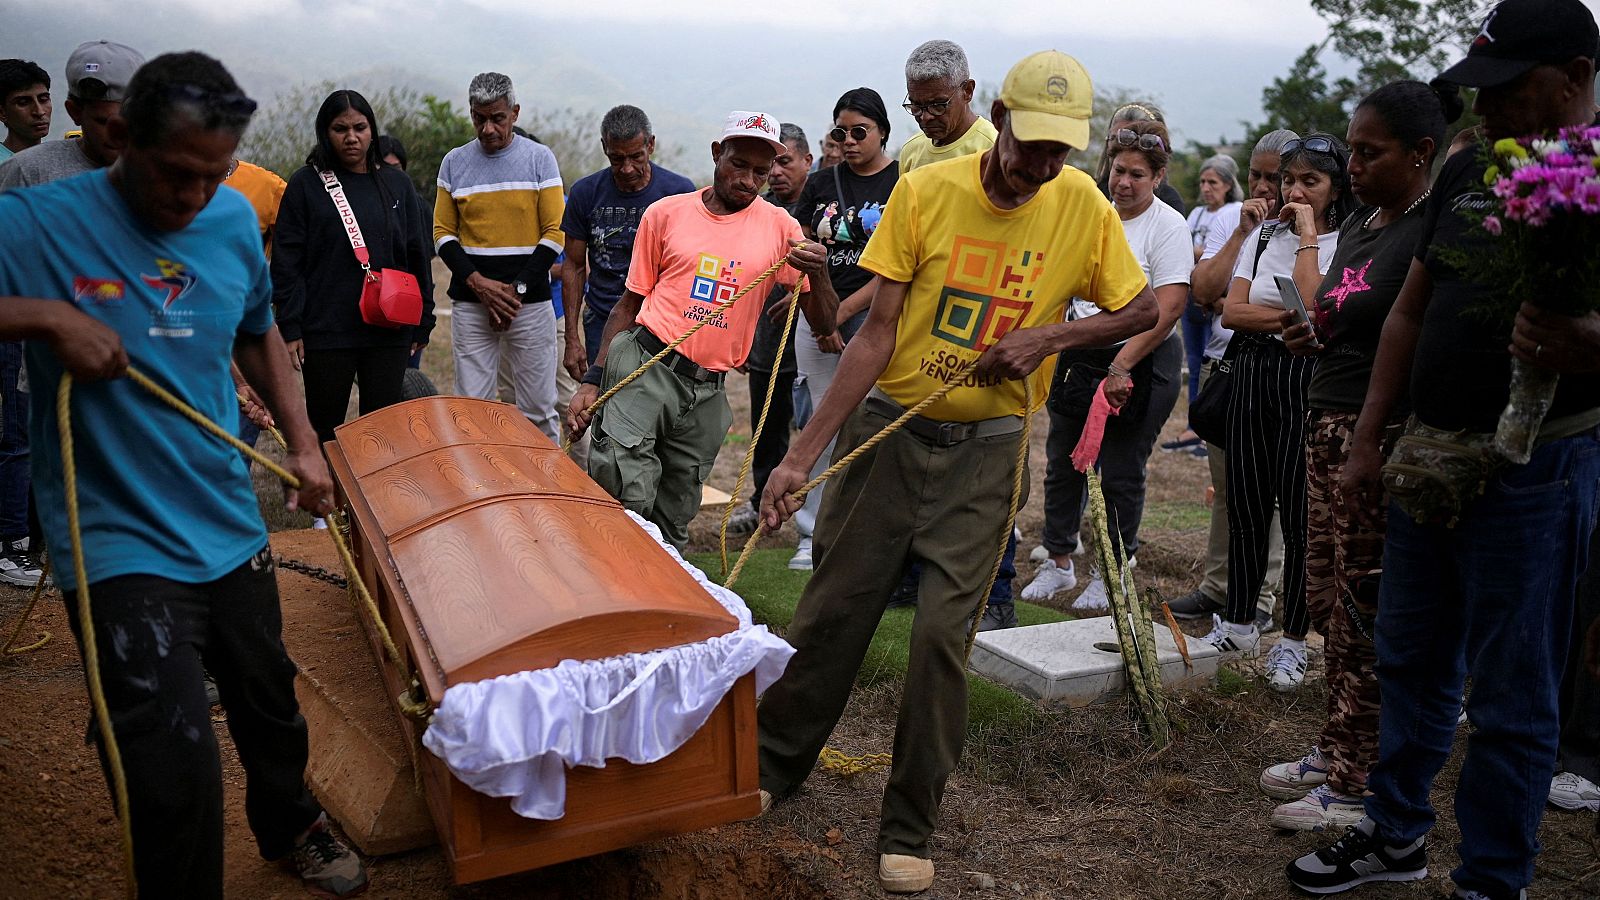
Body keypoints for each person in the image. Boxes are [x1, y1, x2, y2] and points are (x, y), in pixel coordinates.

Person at [755, 51, 1158, 895]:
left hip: (988, 453)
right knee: (834, 611)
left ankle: (908, 823)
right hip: (891, 437)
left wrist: (1047, 339)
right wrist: (800, 457)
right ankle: (773, 764)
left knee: (943, 638)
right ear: (1001, 115)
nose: (1043, 164)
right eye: (1032, 144)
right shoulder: (928, 190)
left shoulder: (1080, 205)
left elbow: (1142, 306)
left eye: (1061, 151)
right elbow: (874, 333)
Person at [0, 51, 367, 897]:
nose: (194, 197)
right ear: (122, 136)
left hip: (224, 513)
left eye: (215, 175)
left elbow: (258, 331)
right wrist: (48, 315)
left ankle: (292, 826)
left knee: (269, 701)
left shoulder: (233, 220)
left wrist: (306, 446)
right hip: (114, 536)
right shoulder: (44, 217)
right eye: (176, 174)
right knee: (171, 758)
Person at [1287, 2, 1600, 895]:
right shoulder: (1471, 171)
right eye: (1480, 90)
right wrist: (1371, 438)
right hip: (1426, 454)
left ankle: (1494, 877)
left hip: (1539, 470)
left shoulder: (1598, 176)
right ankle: (1395, 833)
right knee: (1411, 652)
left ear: (1575, 77)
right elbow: (1413, 309)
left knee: (1511, 691)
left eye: (1509, 89)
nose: (1487, 108)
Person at [1258, 80, 1452, 833]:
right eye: (1356, 149)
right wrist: (1314, 328)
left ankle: (1359, 776)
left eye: (1370, 153)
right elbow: (1341, 307)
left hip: (1376, 434)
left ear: (1421, 153)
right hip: (1326, 419)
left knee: (1367, 608)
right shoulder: (1371, 224)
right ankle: (1338, 741)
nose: (1356, 166)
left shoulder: (1426, 230)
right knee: (1328, 599)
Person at [565, 111, 836, 552]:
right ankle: (611, 592)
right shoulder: (666, 214)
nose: (749, 180)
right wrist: (593, 381)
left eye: (761, 172)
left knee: (676, 513)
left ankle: (664, 601)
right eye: (738, 165)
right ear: (716, 153)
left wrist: (819, 275)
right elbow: (629, 303)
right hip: (645, 363)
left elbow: (823, 323)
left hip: (708, 388)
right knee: (625, 492)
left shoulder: (782, 229)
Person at [1202, 131, 1354, 693]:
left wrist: (1310, 242)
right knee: (1244, 498)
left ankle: (1293, 640)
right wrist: (1291, 320)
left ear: (1335, 186)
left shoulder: (1349, 238)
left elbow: (1321, 312)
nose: (1293, 191)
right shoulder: (1262, 235)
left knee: (1296, 508)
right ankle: (1239, 622)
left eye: (1308, 181)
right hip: (1252, 371)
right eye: (1289, 179)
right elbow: (1232, 313)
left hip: (1306, 377)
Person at [1023, 119, 1190, 609]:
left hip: (1143, 355)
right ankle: (1058, 560)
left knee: (1119, 469)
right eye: (1119, 170)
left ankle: (1110, 570)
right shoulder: (1095, 213)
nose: (1124, 182)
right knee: (1063, 461)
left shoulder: (1168, 226)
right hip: (1083, 347)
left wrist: (1122, 366)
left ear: (1158, 178)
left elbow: (1170, 305)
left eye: (1138, 174)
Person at [0, 43, 144, 590]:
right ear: (75, 112)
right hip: (55, 380)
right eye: (103, 119)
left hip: (150, 372)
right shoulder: (29, 173)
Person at [1164, 129, 1300, 630]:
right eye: (1257, 176)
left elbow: (1293, 311)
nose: (1266, 187)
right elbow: (1203, 291)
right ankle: (1219, 587)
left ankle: (1260, 598)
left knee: (1273, 498)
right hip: (1225, 370)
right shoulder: (1231, 219)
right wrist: (1242, 235)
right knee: (1227, 489)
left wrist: (1236, 307)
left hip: (1279, 374)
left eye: (1277, 177)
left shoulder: (1312, 232)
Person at [271, 89, 435, 456]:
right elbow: (287, 261)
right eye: (340, 128)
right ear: (324, 132)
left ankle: (373, 503)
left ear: (372, 130)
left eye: (360, 127)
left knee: (382, 426)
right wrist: (291, 325)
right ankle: (326, 508)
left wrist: (424, 318)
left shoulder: (397, 184)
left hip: (389, 326)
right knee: (325, 422)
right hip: (327, 326)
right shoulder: (306, 184)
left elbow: (416, 253)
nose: (351, 137)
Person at [786, 88, 899, 571]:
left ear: (883, 133)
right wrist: (821, 317)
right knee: (819, 423)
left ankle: (867, 533)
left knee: (873, 426)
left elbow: (897, 267)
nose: (849, 141)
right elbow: (804, 255)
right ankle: (811, 536)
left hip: (874, 319)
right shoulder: (820, 183)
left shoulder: (902, 184)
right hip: (815, 317)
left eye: (860, 132)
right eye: (840, 132)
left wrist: (842, 314)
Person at [435, 72, 565, 442]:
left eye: (498, 118)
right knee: (471, 410)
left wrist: (515, 291)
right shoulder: (454, 163)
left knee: (538, 410)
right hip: (472, 304)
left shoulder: (540, 159)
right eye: (479, 118)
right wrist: (480, 286)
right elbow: (443, 233)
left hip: (530, 304)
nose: (488, 128)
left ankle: (544, 493)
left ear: (515, 113)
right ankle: (481, 493)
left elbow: (555, 232)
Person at [560, 105, 695, 376]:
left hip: (663, 323)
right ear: (604, 148)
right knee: (603, 401)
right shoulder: (585, 193)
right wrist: (572, 339)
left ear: (651, 145)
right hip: (602, 318)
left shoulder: (679, 193)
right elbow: (573, 266)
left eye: (636, 157)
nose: (627, 168)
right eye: (616, 159)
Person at [726, 123, 811, 539]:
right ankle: (763, 502)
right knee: (766, 427)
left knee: (814, 429)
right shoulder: (751, 211)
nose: (776, 172)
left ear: (807, 163)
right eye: (770, 165)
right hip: (765, 344)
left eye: (785, 161)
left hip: (812, 343)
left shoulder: (818, 209)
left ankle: (813, 518)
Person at [1163, 154, 1243, 449]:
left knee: (1216, 361)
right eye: (1203, 182)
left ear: (1228, 185)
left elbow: (1213, 255)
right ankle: (1194, 425)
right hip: (1192, 295)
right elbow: (1182, 247)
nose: (1206, 188)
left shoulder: (1235, 213)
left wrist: (1200, 255)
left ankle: (1210, 424)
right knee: (1195, 361)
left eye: (1213, 182)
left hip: (1218, 300)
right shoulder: (1196, 214)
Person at [0, 41, 143, 189]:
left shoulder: (157, 166)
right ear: (74, 112)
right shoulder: (25, 171)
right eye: (103, 121)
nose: (39, 111)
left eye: (43, 99)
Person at [898, 39, 997, 172]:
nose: (925, 117)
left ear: (967, 91)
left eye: (938, 105)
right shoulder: (911, 151)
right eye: (916, 106)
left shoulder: (993, 150)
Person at [1094, 102, 1185, 216]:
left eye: (1137, 175)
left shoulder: (1169, 208)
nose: (1125, 144)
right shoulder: (1094, 192)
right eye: (1115, 138)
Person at [0, 59, 51, 162]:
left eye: (43, 100)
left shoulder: (56, 160)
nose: (39, 112)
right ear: (2, 113)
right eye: (23, 102)